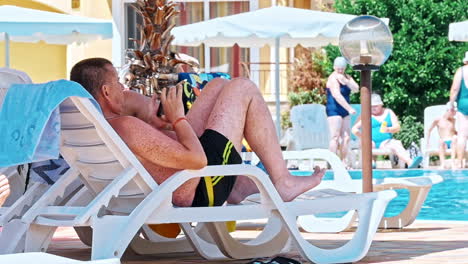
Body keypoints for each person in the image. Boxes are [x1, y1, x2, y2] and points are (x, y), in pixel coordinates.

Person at [70, 58, 325, 208]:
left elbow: (160, 155)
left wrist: (166, 126)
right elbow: (197, 161)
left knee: (217, 85)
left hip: (188, 179)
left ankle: (236, 186)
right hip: (202, 188)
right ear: (105, 92)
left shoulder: (99, 129)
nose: (122, 86)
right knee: (242, 87)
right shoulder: (124, 125)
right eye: (117, 82)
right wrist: (178, 116)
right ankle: (283, 181)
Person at [351, 94, 423, 169]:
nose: (373, 108)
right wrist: (363, 137)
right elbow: (354, 129)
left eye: (376, 106)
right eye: (371, 106)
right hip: (370, 141)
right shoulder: (366, 114)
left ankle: (410, 162)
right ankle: (371, 163)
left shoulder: (388, 112)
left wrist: (388, 129)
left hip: (385, 142)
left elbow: (397, 127)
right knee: (366, 143)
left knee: (396, 144)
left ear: (381, 105)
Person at [325, 57, 359, 164]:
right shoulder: (332, 78)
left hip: (344, 110)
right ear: (334, 67)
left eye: (342, 68)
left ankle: (343, 162)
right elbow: (337, 95)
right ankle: (332, 162)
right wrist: (349, 108)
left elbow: (356, 89)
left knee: (346, 137)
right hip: (334, 109)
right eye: (338, 68)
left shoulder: (347, 77)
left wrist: (346, 82)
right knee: (335, 137)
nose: (340, 71)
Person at [448, 51, 468, 169]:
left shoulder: (461, 71)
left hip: (464, 105)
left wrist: (451, 104)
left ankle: (460, 162)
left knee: (462, 135)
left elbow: (454, 89)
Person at [426, 102, 458, 169]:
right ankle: (442, 164)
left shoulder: (454, 120)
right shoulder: (438, 120)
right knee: (441, 141)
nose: (455, 113)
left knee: (455, 138)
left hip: (453, 142)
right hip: (443, 143)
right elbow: (429, 130)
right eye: (454, 112)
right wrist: (427, 142)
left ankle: (453, 163)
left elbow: (458, 132)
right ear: (449, 110)